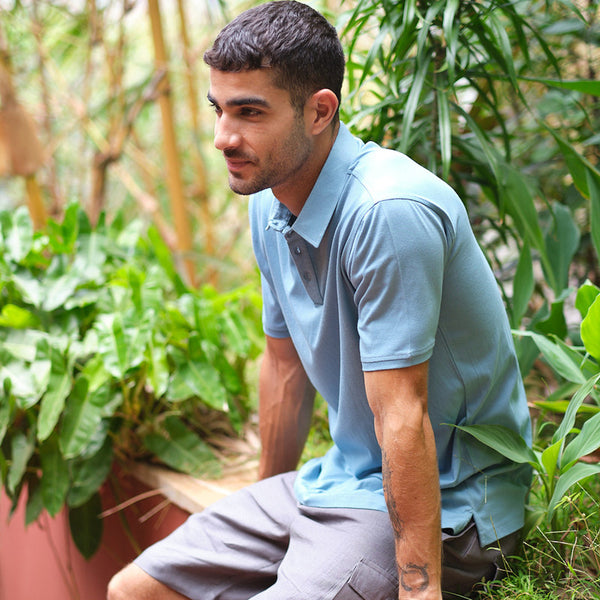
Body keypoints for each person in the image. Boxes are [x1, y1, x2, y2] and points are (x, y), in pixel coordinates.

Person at [107, 2, 532, 599]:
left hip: (453, 502)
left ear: (319, 110)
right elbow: (283, 368)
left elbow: (402, 413)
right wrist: (265, 514)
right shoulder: (269, 200)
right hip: (337, 481)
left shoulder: (387, 212)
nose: (224, 137)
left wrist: (419, 589)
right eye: (220, 109)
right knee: (135, 590)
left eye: (250, 112)